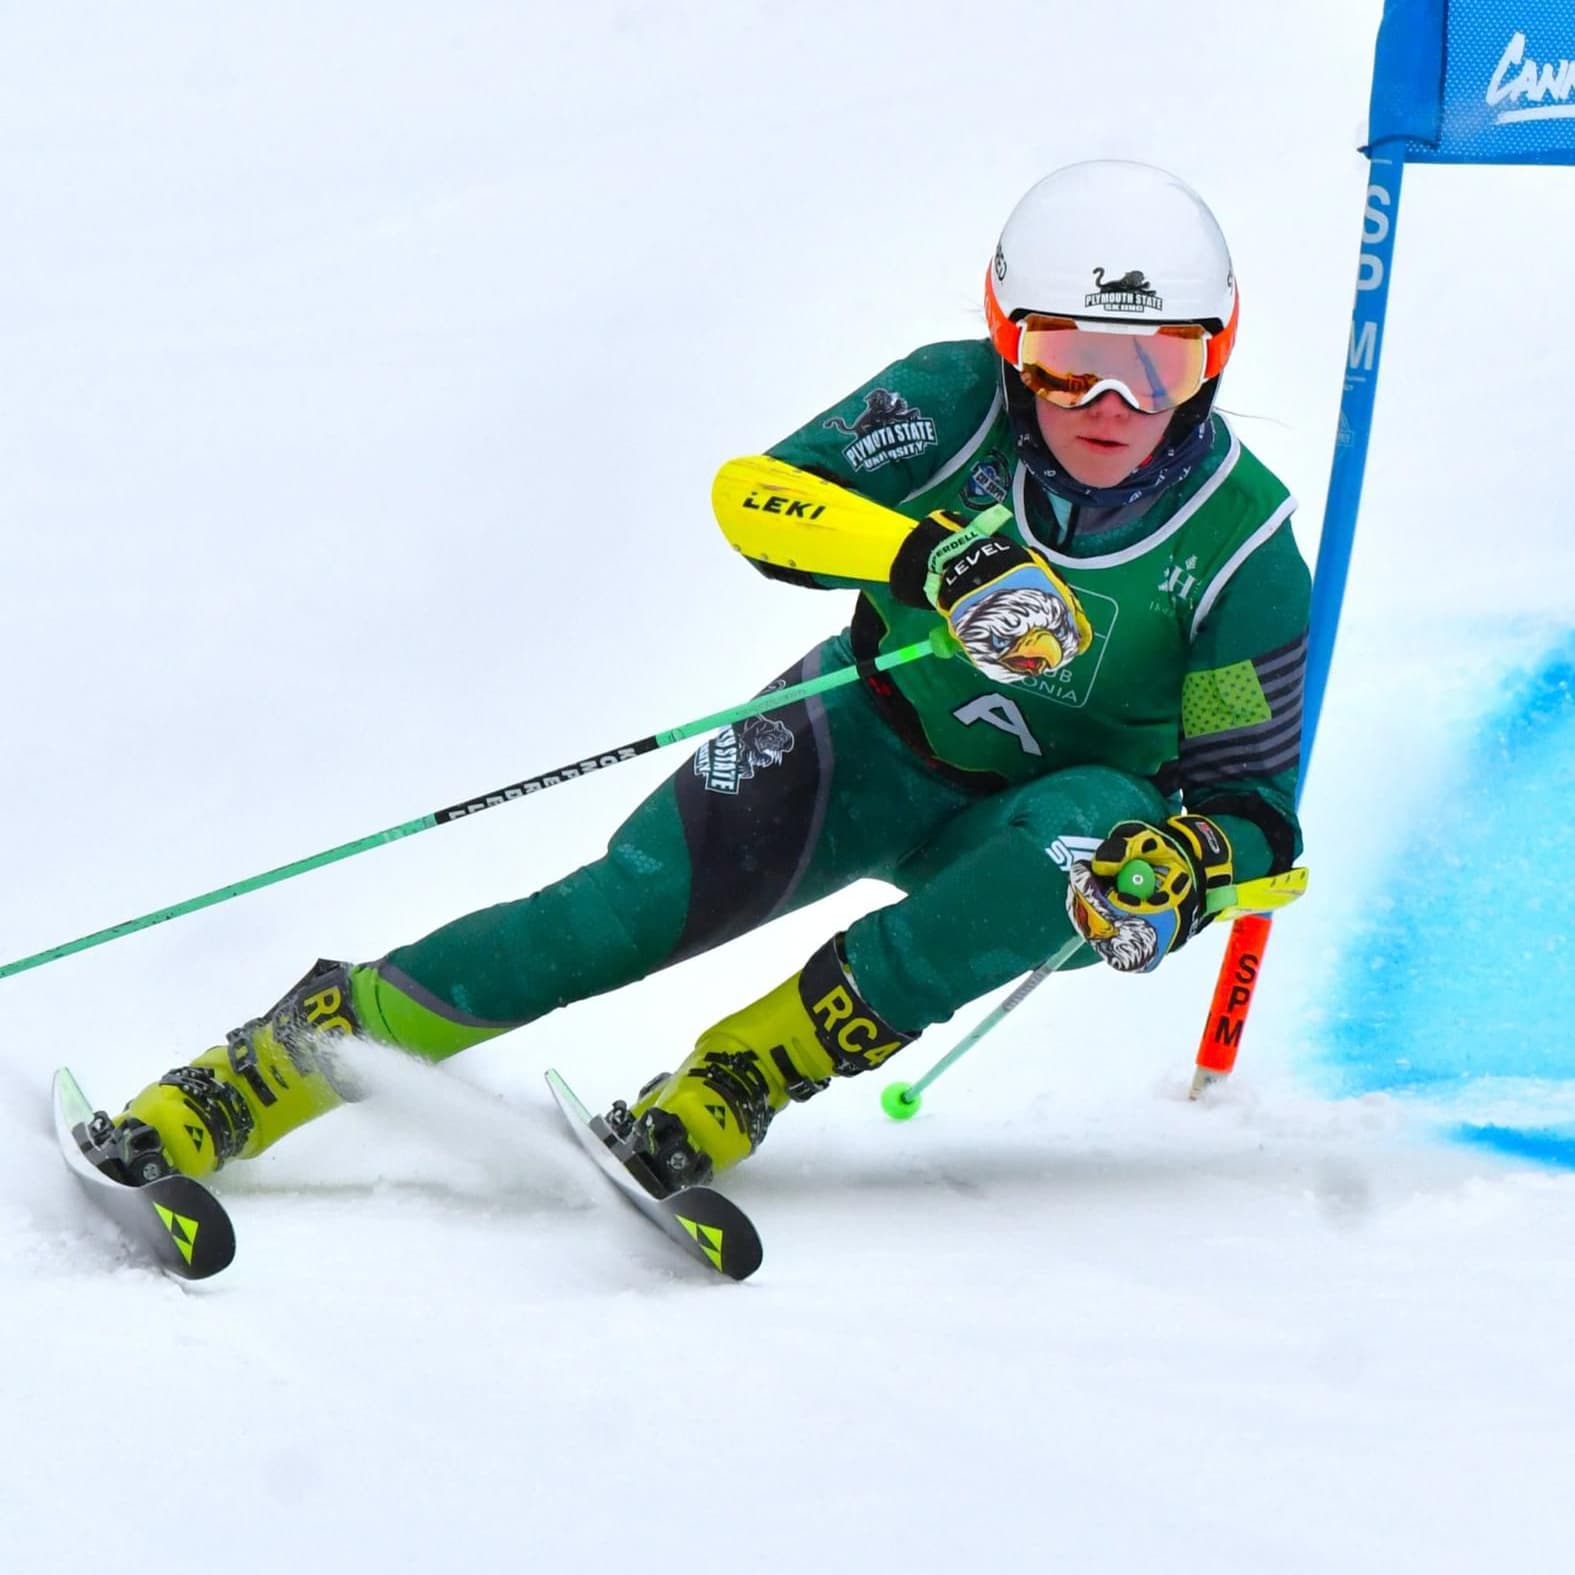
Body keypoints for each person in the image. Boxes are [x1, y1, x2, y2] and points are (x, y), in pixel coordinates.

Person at [107, 159, 1309, 1197]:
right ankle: (280, 1062)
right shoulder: (952, 404)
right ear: (1009, 341)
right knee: (610, 918)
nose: (1107, 404)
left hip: (1025, 828)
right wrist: (920, 554)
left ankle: (748, 1070)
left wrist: (1186, 870)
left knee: (1099, 828)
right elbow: (758, 497)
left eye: (1155, 368)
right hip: (858, 742)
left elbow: (1253, 818)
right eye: (1064, 362)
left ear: (1215, 359)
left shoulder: (1239, 551)